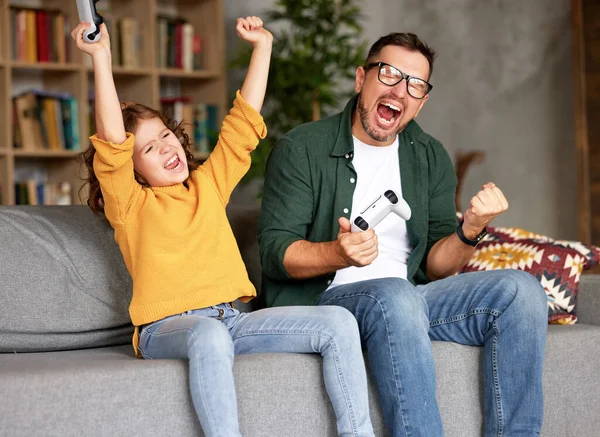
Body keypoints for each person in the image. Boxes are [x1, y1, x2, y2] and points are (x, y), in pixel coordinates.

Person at [72, 17, 375, 437]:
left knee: (339, 322)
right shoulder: (131, 205)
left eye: (165, 136)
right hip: (166, 329)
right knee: (210, 336)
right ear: (132, 167)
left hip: (232, 319)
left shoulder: (207, 185)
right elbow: (112, 143)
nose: (166, 148)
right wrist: (101, 58)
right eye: (148, 148)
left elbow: (242, 126)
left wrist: (263, 47)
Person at [259, 32, 548, 437]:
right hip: (328, 302)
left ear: (422, 100)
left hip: (407, 303)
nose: (401, 89)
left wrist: (470, 230)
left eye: (415, 84)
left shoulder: (428, 156)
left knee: (522, 292)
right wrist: (337, 253)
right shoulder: (302, 147)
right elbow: (276, 253)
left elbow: (437, 265)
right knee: (395, 294)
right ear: (361, 79)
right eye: (390, 74)